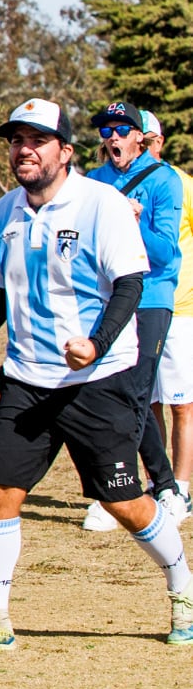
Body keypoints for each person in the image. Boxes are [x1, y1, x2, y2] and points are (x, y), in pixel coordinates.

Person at [0, 98, 192, 650]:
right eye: (15, 140)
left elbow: (129, 284)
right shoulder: (5, 211)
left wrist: (95, 345)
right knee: (0, 492)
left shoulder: (101, 203)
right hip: (27, 380)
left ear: (66, 151)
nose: (23, 150)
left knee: (125, 502)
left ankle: (183, 586)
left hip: (98, 382)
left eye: (36, 141)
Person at [81, 102, 183, 532]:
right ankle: (163, 485)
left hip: (152, 298)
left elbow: (165, 254)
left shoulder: (164, 181)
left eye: (122, 129)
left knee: (137, 393)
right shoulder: (93, 182)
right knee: (112, 392)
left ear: (141, 136)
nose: (113, 137)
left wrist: (133, 221)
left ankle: (125, 490)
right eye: (107, 130)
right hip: (108, 299)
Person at [144, 111, 193, 521]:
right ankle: (155, 483)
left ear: (160, 141)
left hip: (181, 308)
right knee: (146, 403)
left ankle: (182, 488)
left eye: (149, 139)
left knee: (182, 405)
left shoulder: (181, 184)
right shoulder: (110, 181)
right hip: (132, 306)